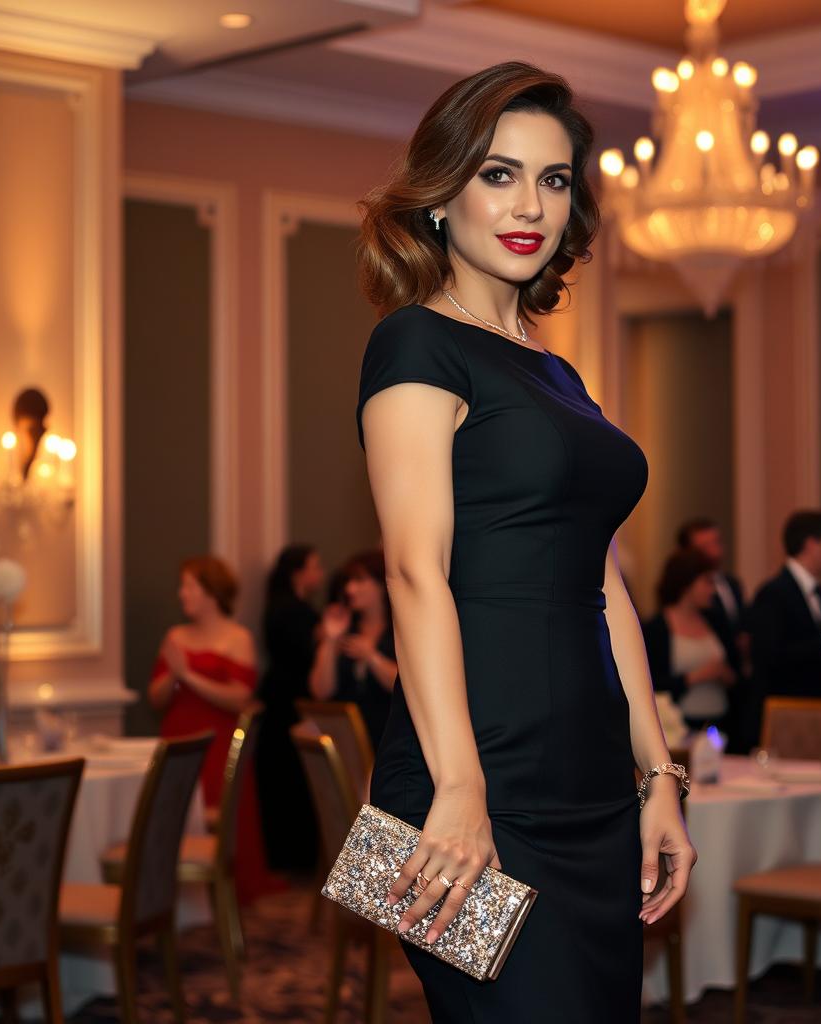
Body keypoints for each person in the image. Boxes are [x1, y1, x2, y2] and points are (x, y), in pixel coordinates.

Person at [354, 61, 695, 1020]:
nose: (531, 203)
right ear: (441, 194)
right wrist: (459, 788)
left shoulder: (560, 376)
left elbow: (608, 592)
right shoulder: (414, 342)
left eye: (552, 179)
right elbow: (415, 573)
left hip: (591, 787)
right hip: (469, 782)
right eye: (499, 173)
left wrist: (657, 777)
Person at [148, 556, 279, 904]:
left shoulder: (238, 638)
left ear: (210, 591)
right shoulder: (175, 636)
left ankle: (220, 892)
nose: (182, 593)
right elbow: (156, 697)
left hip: (220, 745)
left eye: (189, 586)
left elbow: (240, 698)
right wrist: (173, 674)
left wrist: (188, 674)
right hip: (177, 737)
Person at [747, 511, 821, 745]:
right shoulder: (772, 594)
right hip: (785, 722)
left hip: (818, 716)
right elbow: (771, 658)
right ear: (811, 545)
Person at [256, 544, 325, 873]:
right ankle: (293, 861)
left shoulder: (287, 606)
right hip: (289, 702)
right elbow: (303, 655)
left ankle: (293, 859)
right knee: (291, 779)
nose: (320, 573)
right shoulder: (290, 610)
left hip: (283, 699)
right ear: (298, 572)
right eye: (315, 566)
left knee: (290, 779)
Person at [308, 548, 397, 750]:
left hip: (388, 740)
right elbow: (320, 691)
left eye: (359, 580)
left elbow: (405, 687)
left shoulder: (399, 633)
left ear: (381, 585)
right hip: (346, 742)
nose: (350, 589)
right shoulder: (346, 629)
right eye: (349, 582)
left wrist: (371, 657)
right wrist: (330, 639)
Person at [677, 517, 751, 748]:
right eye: (704, 546)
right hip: (683, 720)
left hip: (725, 712)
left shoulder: (731, 585)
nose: (714, 552)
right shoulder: (663, 623)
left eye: (716, 543)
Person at [643, 550, 736, 733]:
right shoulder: (656, 628)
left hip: (722, 723)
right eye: (707, 582)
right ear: (687, 584)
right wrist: (696, 676)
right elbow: (651, 684)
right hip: (679, 726)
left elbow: (737, 672)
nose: (713, 590)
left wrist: (726, 674)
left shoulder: (716, 621)